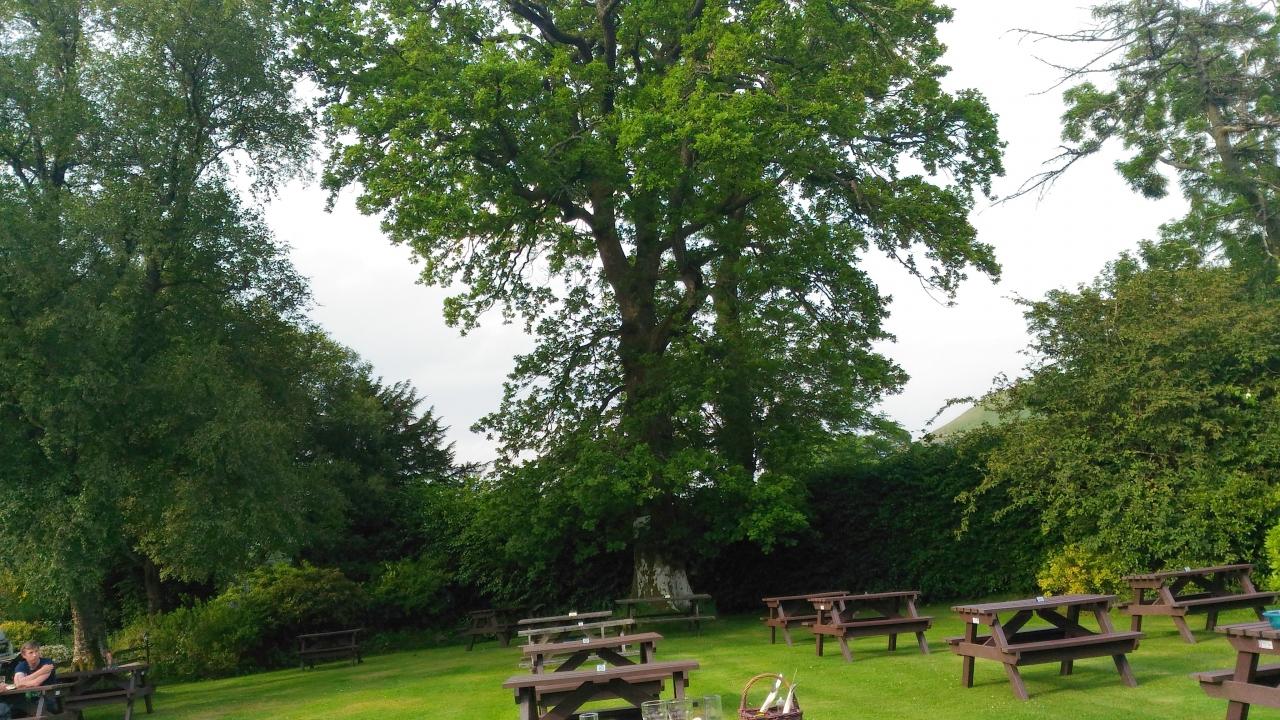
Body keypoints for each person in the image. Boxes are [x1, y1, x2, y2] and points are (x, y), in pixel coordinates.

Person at [8, 643, 56, 718]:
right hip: (29, 698)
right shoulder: (21, 665)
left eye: (36, 651)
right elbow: (17, 683)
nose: (35, 655)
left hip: (48, 696)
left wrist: (22, 682)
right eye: (31, 652)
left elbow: (36, 683)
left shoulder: (47, 663)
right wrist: (41, 671)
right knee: (13, 707)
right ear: (24, 655)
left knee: (36, 708)